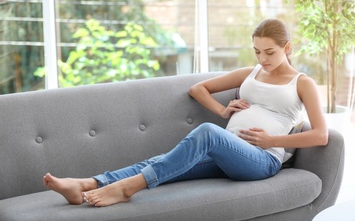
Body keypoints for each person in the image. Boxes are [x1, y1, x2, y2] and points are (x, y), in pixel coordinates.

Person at [43, 18, 328, 207]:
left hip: (261, 160)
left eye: (269, 52)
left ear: (286, 48)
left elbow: (320, 135)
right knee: (163, 160)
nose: (262, 59)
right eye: (257, 52)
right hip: (229, 155)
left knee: (207, 133)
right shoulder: (250, 73)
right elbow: (198, 89)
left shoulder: (302, 83)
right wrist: (222, 109)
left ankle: (127, 188)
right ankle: (85, 183)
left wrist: (271, 142)